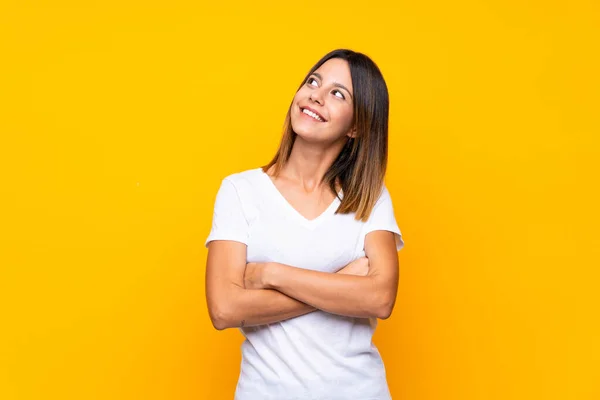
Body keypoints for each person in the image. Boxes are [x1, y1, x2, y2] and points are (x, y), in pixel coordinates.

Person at [205, 48, 405, 400]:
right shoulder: (240, 191)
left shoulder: (369, 197)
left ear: (357, 125)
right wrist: (342, 284)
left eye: (337, 93)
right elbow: (224, 309)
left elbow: (380, 299)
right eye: (314, 81)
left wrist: (271, 275)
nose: (316, 94)